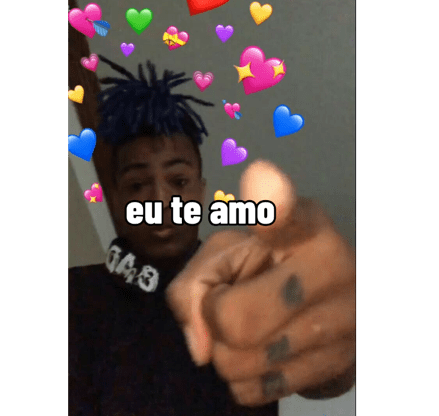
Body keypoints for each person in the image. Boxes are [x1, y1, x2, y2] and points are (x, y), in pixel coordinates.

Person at [68, 56, 356, 416]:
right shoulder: (74, 296)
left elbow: (329, 381)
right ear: (116, 200)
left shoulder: (248, 282)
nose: (161, 200)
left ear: (201, 193)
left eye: (179, 181)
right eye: (138, 184)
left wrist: (333, 334)